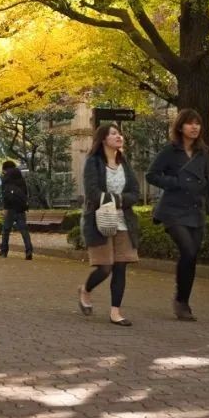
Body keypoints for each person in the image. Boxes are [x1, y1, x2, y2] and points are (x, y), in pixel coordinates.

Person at [147, 108, 209, 322]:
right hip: (172, 210)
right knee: (188, 250)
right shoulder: (170, 151)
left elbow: (205, 178)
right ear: (180, 127)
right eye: (190, 123)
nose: (194, 127)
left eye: (198, 123)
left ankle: (183, 300)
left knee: (191, 257)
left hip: (194, 210)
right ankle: (181, 302)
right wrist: (175, 183)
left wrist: (202, 191)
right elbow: (152, 175)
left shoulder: (203, 152)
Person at [77, 124, 141, 327]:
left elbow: (135, 193)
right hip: (100, 220)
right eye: (113, 133)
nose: (118, 136)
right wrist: (121, 199)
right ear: (103, 139)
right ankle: (85, 289)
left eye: (119, 133)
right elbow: (93, 193)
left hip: (124, 221)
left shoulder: (125, 163)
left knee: (121, 266)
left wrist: (118, 201)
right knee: (105, 267)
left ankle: (116, 312)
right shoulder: (93, 163)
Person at [0, 160, 32, 260]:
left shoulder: (6, 178)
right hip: (21, 207)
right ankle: (29, 251)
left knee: (6, 230)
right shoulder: (20, 177)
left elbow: (5, 194)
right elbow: (25, 192)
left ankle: (4, 251)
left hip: (11, 208)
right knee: (24, 231)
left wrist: (5, 208)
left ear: (5, 168)